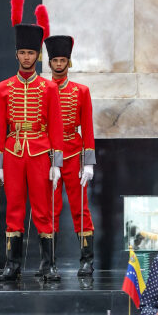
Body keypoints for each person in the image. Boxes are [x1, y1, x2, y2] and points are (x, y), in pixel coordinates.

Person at [0, 0, 63, 282]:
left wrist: (56, 162)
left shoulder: (49, 88)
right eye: (23, 53)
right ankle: (13, 265)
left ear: (37, 56)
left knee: (44, 210)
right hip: (12, 153)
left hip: (40, 151)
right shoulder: (3, 88)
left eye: (31, 53)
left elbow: (56, 127)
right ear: (17, 54)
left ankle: (48, 265)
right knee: (15, 209)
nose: (27, 57)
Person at [43, 34, 97, 277]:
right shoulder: (42, 89)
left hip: (74, 154)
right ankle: (49, 262)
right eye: (54, 60)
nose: (58, 64)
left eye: (62, 60)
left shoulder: (81, 91)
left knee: (80, 208)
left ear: (68, 62)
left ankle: (87, 260)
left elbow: (87, 127)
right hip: (48, 155)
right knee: (49, 209)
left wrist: (88, 163)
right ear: (50, 62)